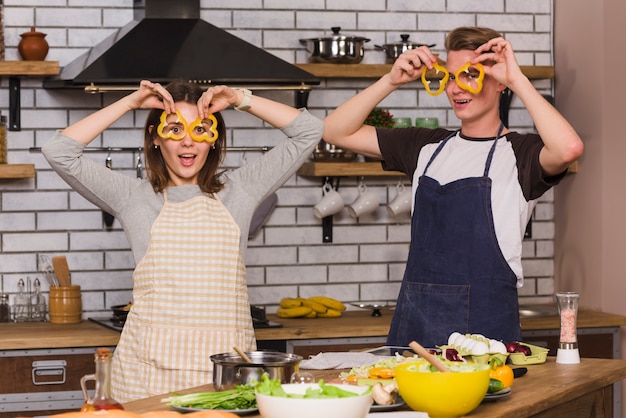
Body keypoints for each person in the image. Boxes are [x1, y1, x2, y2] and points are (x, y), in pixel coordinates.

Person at [42, 80, 323, 402]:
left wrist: (239, 99)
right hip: (146, 376)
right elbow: (58, 151)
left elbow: (309, 130)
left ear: (214, 141)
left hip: (224, 374)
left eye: (201, 130)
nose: (188, 143)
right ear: (156, 137)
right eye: (175, 129)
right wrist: (130, 103)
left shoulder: (241, 190)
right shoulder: (132, 197)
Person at [322, 27, 584, 348]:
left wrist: (517, 79)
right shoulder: (426, 146)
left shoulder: (520, 154)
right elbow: (334, 131)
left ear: (498, 81)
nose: (456, 88)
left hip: (485, 335)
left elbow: (569, 148)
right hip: (415, 329)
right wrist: (390, 81)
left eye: (470, 75)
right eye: (448, 77)